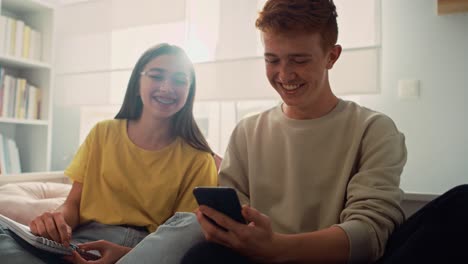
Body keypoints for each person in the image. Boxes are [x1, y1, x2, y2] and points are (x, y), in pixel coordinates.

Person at [0, 43, 218, 264]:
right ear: (137, 83)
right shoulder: (102, 133)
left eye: (179, 80)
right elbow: (73, 204)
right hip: (81, 242)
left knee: (193, 225)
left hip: (143, 251)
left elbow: (179, 238)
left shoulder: (199, 159)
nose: (167, 87)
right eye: (156, 76)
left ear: (189, 91)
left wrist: (125, 255)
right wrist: (57, 223)